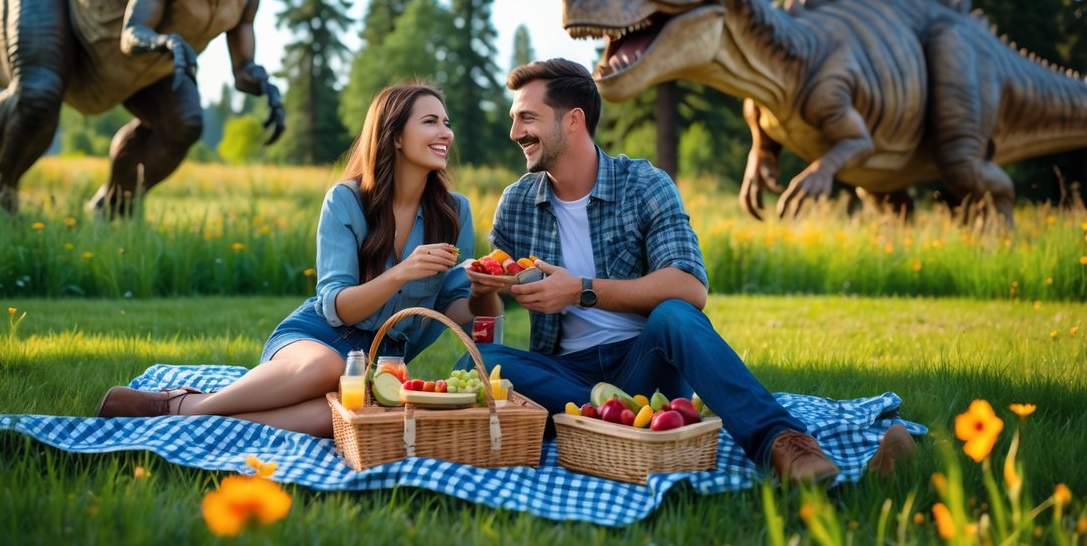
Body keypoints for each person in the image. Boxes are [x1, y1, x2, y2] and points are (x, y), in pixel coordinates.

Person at [464, 59, 883, 484]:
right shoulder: (516, 203)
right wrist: (482, 291)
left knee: (675, 315)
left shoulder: (644, 184)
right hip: (564, 371)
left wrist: (580, 291)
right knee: (480, 359)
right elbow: (489, 319)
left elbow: (689, 287)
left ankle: (784, 443)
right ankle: (633, 419)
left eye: (527, 117)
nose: (514, 132)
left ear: (573, 120)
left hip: (646, 361)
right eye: (514, 118)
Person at [96, 83, 482, 436]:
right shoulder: (346, 201)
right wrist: (401, 273)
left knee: (338, 418)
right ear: (395, 136)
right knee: (329, 367)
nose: (446, 133)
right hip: (318, 337)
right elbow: (337, 307)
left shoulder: (454, 213)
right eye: (430, 122)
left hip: (381, 365)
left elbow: (456, 306)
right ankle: (183, 406)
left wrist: (488, 290)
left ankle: (197, 417)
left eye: (446, 123)